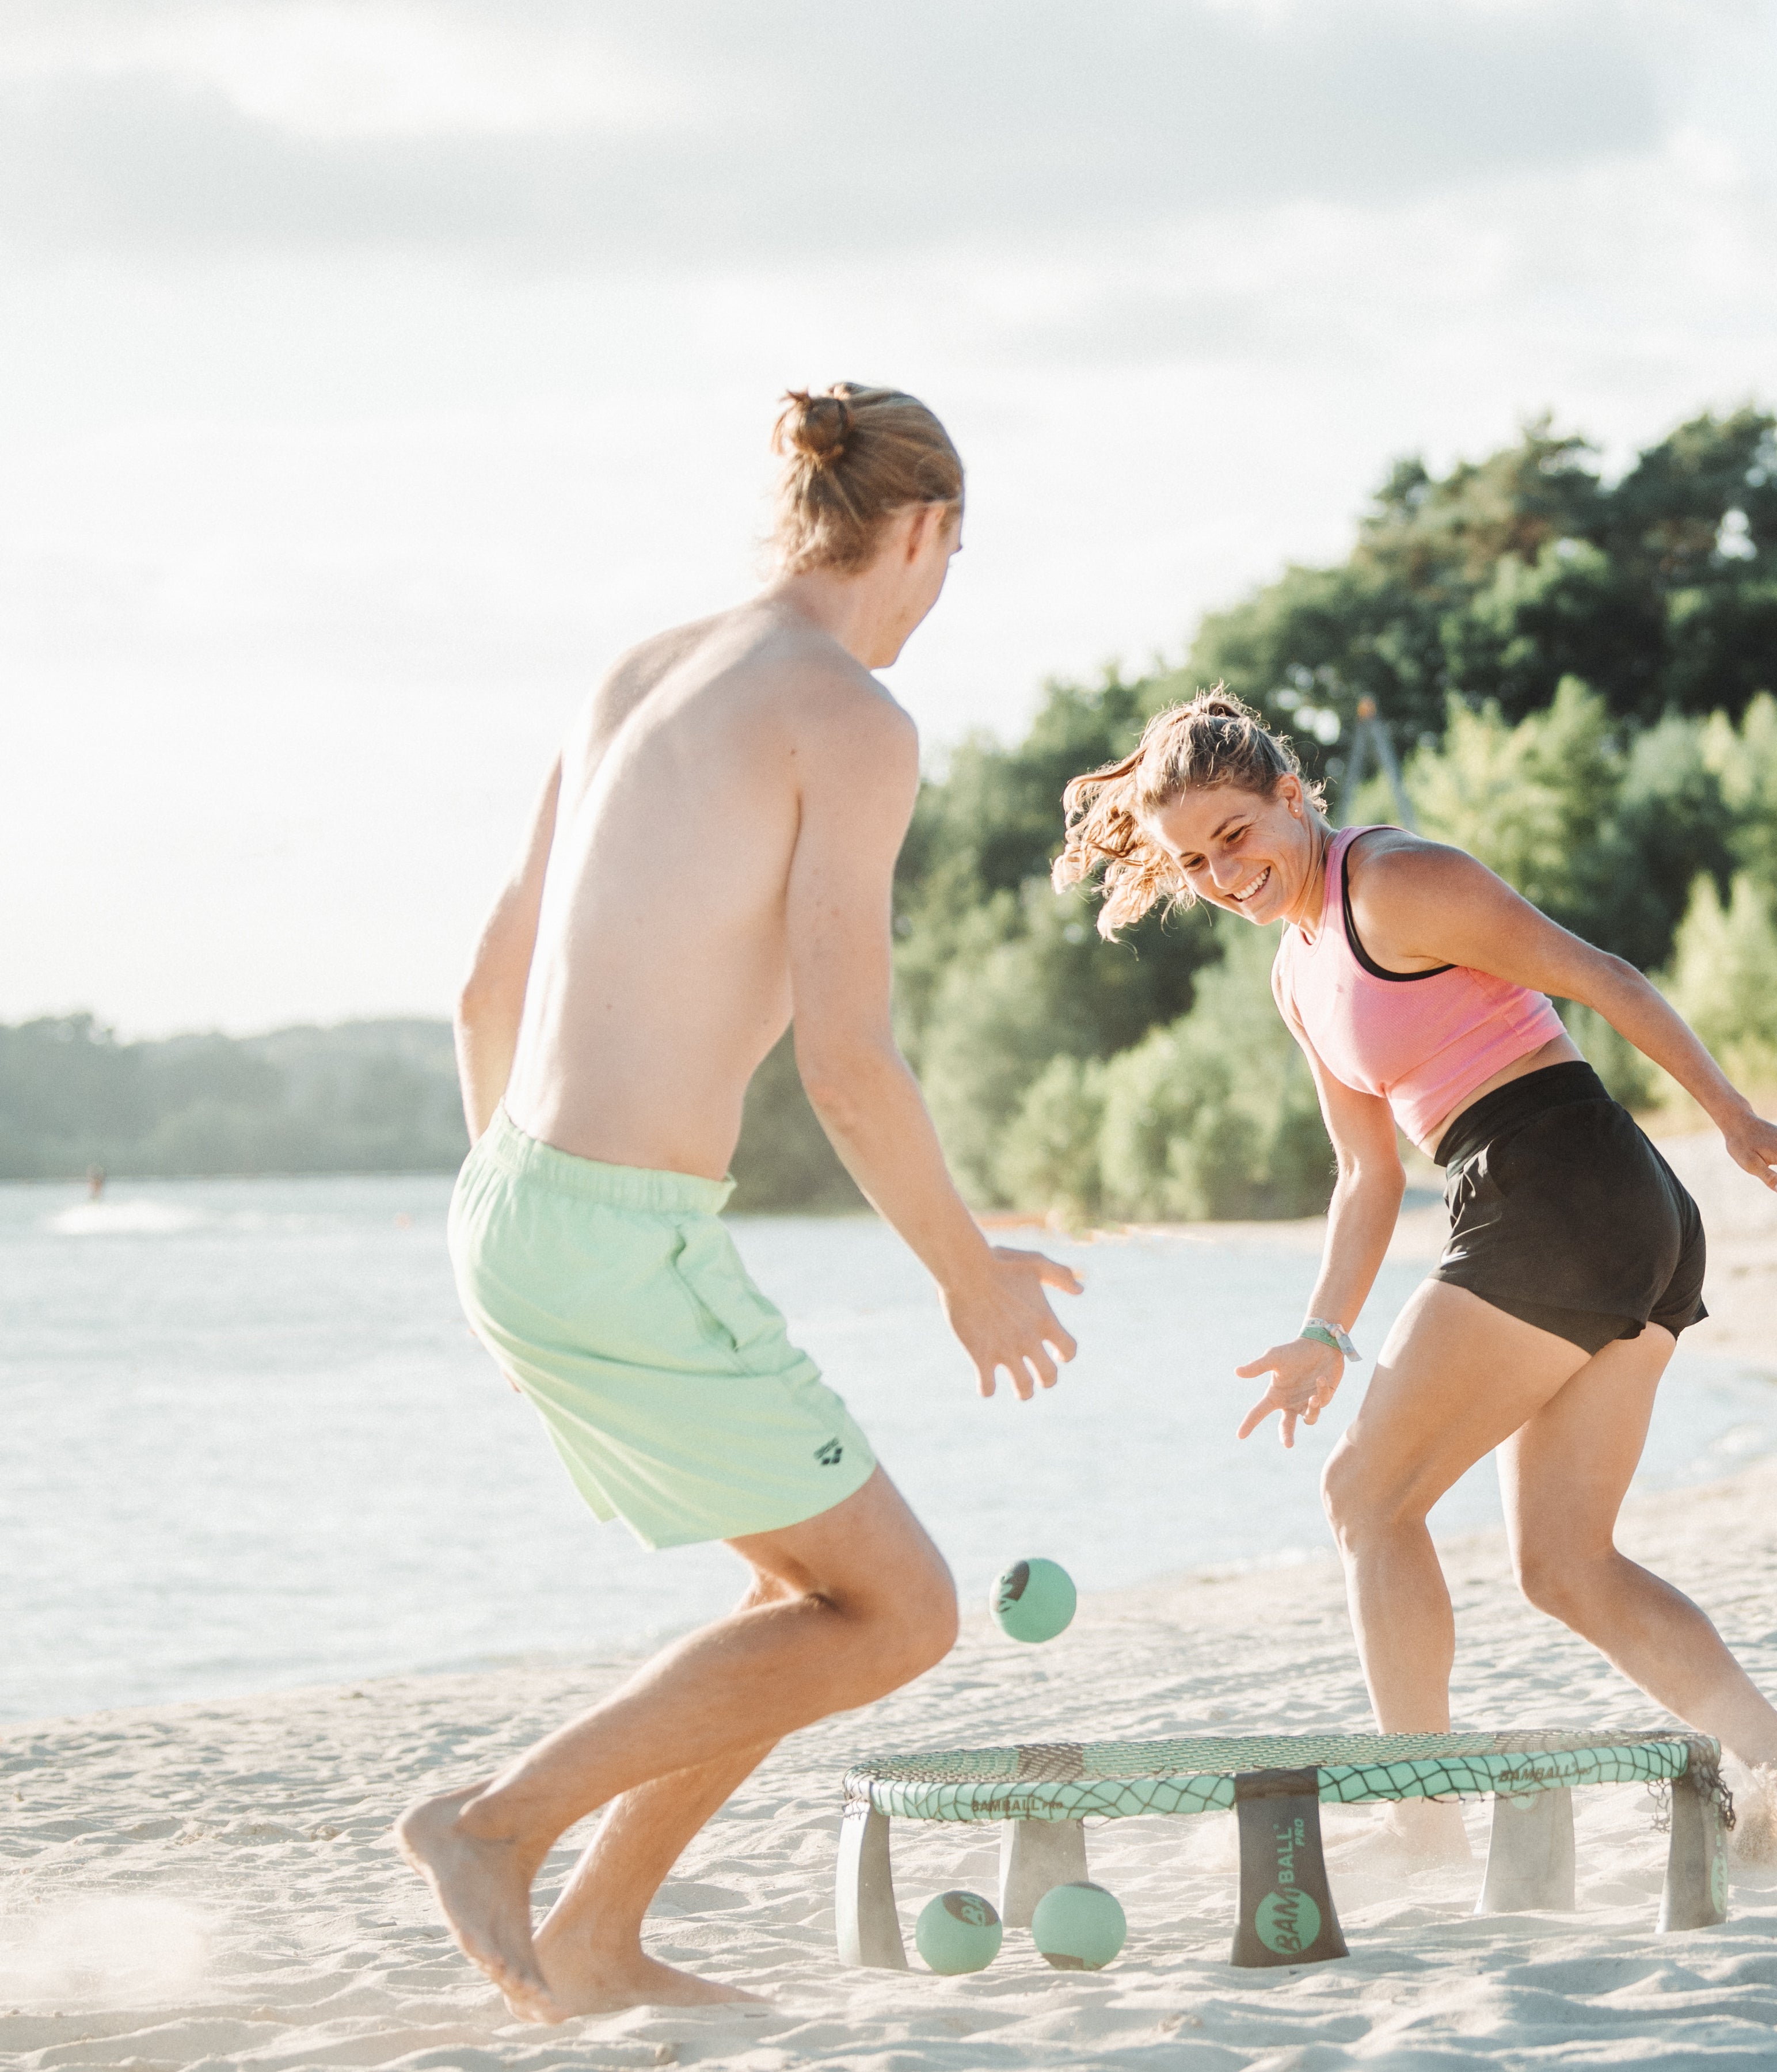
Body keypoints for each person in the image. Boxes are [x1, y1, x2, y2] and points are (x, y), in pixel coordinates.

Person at [401, 385, 1081, 2021]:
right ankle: (494, 1829)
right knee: (899, 1611)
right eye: (952, 558)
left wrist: (523, 1229)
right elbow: (852, 1063)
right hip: (616, 1239)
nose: (938, 597)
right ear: (919, 530)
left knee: (807, 1597)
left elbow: (483, 987)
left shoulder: (638, 669)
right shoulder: (846, 717)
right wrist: (966, 1271)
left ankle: (601, 1938)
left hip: (514, 1208)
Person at [1054, 695, 1777, 1852]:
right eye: (1194, 862)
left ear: (1291, 795)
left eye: (1237, 834)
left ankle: (1420, 1816)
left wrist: (1738, 1120)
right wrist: (1325, 1336)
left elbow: (1604, 977)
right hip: (1595, 1210)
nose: (1226, 873)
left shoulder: (1393, 884)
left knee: (1366, 1499)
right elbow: (1366, 1179)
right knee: (1565, 1565)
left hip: (1560, 1183)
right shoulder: (1296, 973)